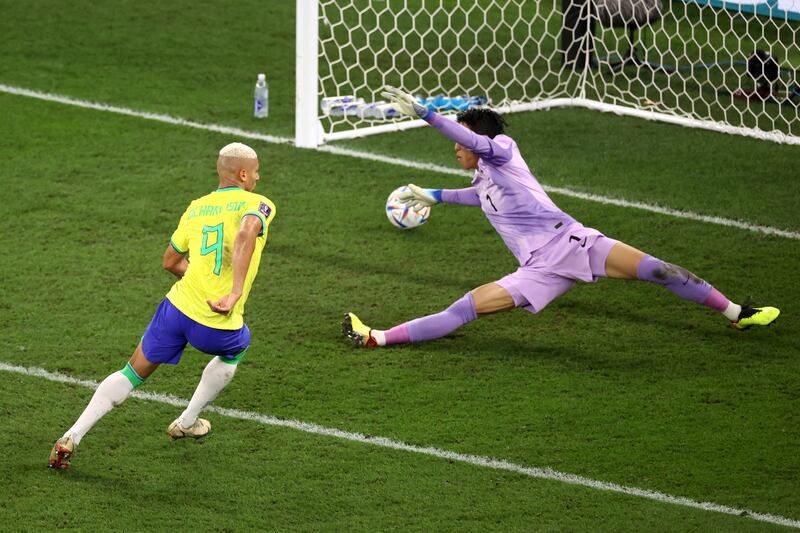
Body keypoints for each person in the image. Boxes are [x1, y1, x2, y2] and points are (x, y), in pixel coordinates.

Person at [342, 86, 779, 347]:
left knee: (658, 270)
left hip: (574, 242)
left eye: (463, 140)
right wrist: (435, 195)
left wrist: (428, 115)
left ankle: (737, 311)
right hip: (537, 269)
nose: (456, 148)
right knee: (464, 308)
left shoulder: (503, 153)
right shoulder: (482, 180)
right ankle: (376, 337)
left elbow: (470, 143)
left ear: (479, 140)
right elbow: (479, 199)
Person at [49, 142, 276, 469]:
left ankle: (72, 435)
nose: (258, 175)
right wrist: (233, 292)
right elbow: (246, 234)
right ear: (243, 174)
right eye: (255, 170)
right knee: (236, 348)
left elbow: (170, 261)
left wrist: (197, 277)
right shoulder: (259, 203)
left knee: (130, 373)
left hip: (177, 308)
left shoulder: (196, 207)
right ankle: (187, 421)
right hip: (216, 319)